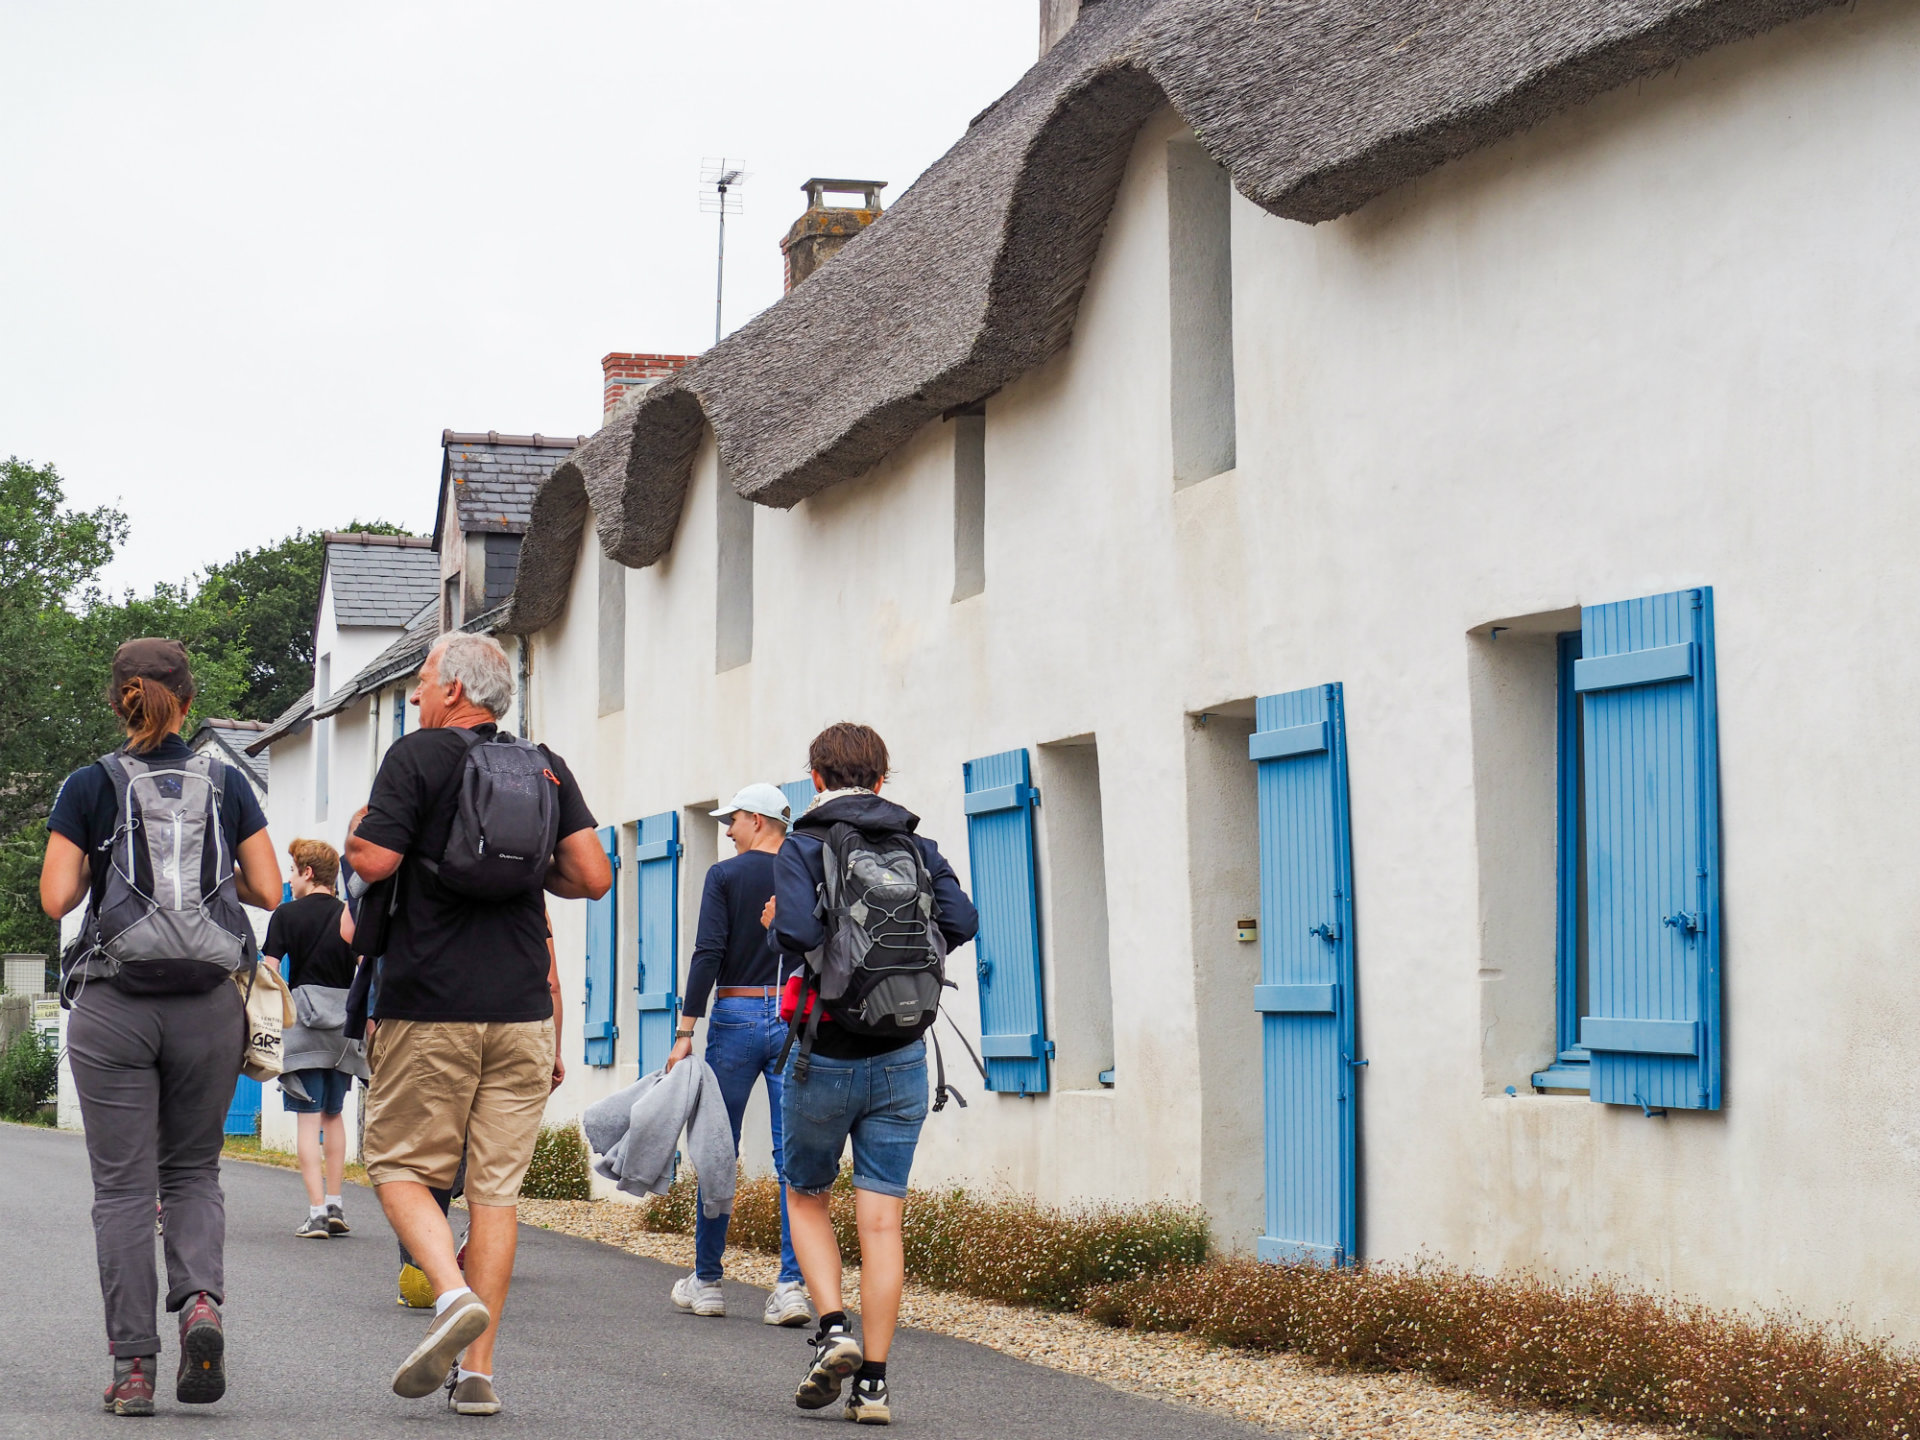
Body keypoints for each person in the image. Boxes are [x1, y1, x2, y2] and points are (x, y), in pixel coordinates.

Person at [343, 632, 608, 1419]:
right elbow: (590, 875)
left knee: (394, 1164)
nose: (418, 695)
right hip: (524, 1007)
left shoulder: (416, 756)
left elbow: (378, 862)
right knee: (495, 1194)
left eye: (423, 682)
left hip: (431, 1004)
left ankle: (450, 1291)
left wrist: (361, 833)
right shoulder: (544, 764)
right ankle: (478, 1375)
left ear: (455, 691)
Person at [38, 639, 282, 1417]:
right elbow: (271, 890)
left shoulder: (89, 784)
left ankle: (134, 1370)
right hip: (209, 1003)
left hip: (115, 1003)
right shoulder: (228, 784)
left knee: (121, 1189)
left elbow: (55, 898)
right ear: (188, 700)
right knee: (193, 1172)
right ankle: (202, 1304)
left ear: (121, 700)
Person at [769, 724, 978, 1426]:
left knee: (805, 1196)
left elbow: (796, 934)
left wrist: (784, 922)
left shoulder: (803, 843)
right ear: (883, 780)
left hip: (826, 1050)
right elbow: (963, 919)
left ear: (817, 779)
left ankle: (832, 1330)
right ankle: (876, 1387)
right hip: (902, 1056)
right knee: (881, 1225)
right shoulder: (919, 846)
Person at [664, 783, 811, 1327]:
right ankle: (791, 1287)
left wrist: (686, 1028)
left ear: (757, 819)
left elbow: (709, 952)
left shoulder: (725, 876)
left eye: (733, 821)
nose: (727, 832)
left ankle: (706, 1281)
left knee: (717, 1147)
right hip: (794, 1019)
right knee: (792, 1158)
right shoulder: (805, 871)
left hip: (736, 1016)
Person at [262, 837, 366, 1240]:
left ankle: (317, 1212)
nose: (289, 879)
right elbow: (366, 967)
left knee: (308, 1123)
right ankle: (338, 1203)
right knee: (334, 1116)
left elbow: (270, 974)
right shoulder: (350, 914)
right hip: (343, 1031)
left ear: (307, 873)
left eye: (292, 871)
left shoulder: (286, 916)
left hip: (303, 1028)